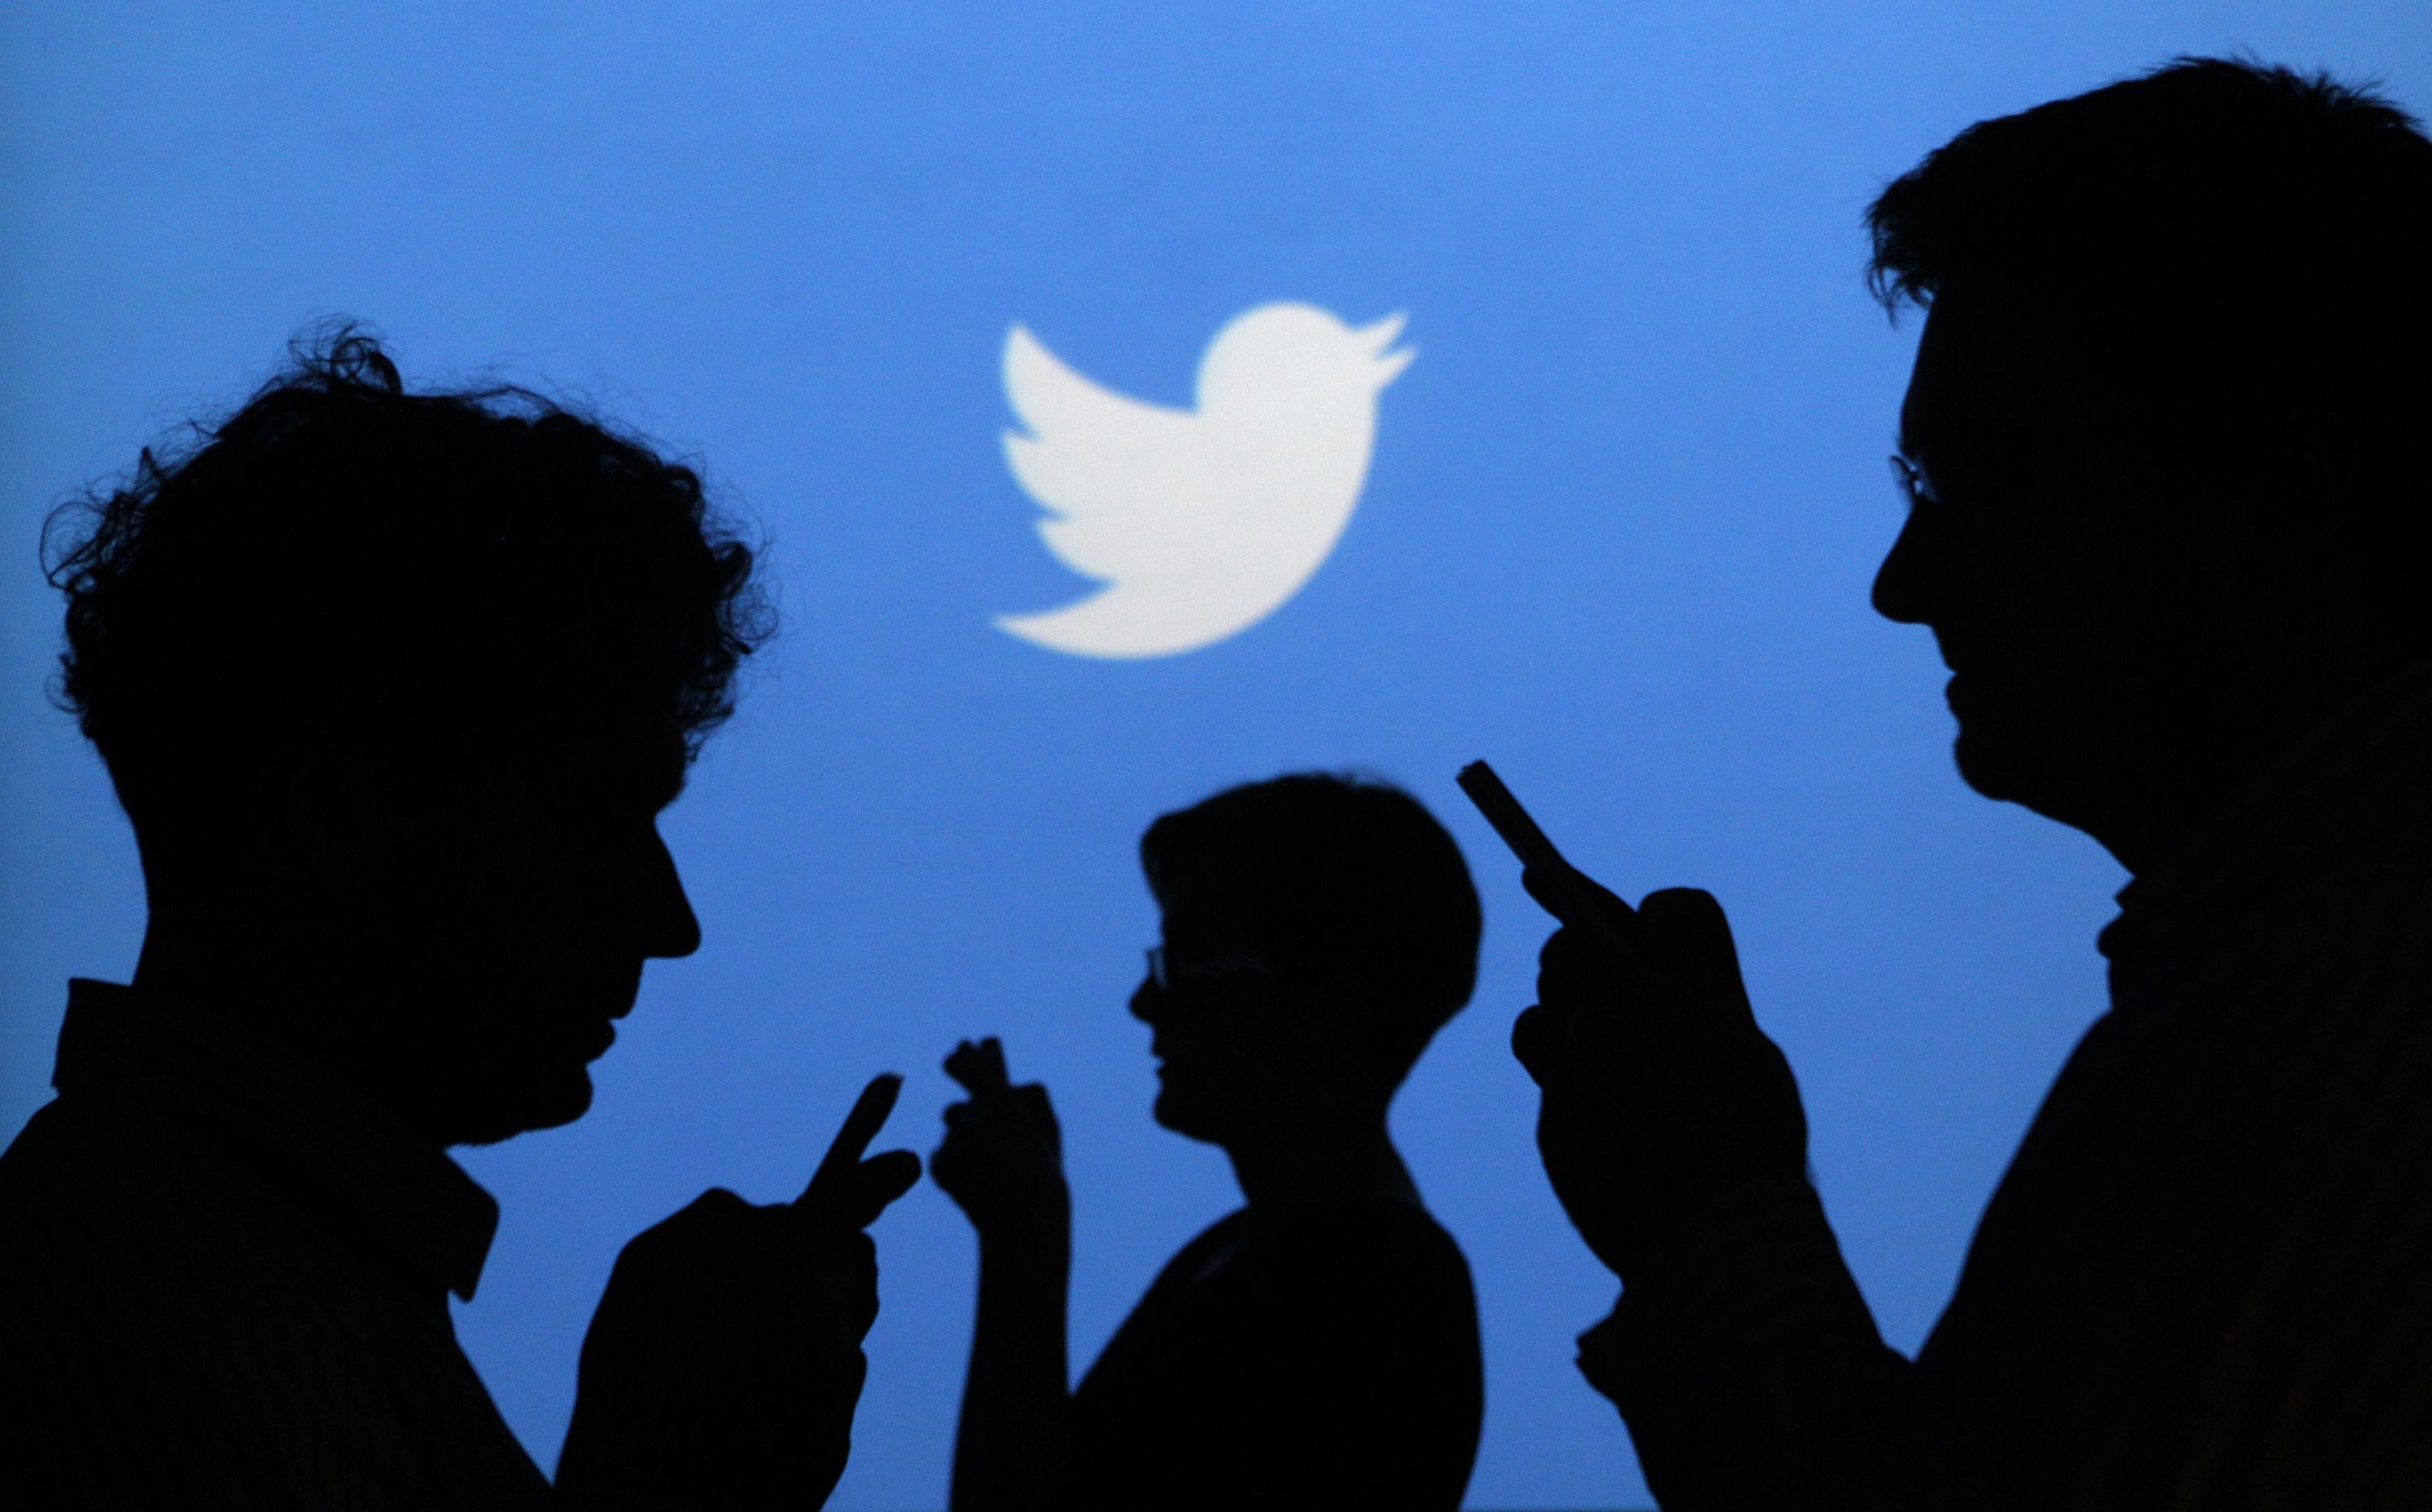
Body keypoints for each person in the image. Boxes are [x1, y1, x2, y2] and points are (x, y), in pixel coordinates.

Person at [1511, 56, 2432, 1510]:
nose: (1903, 585)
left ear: (2287, 484)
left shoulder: (2315, 1034)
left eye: (1985, 484)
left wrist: (1705, 1217)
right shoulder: (2281, 984)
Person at [0, 331, 921, 1509]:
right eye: (595, 816)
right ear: (343, 809)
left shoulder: (231, 1265)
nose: (670, 920)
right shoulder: (171, 1335)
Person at [931, 773, 1485, 1510]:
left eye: (1189, 961)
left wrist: (1023, 1244)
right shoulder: (1249, 1253)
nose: (1145, 1001)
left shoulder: (1373, 1289)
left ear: (1328, 998)